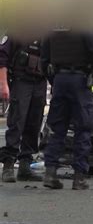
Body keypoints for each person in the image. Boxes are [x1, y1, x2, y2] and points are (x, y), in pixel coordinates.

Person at [41, 28, 93, 190]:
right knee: (83, 127)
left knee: (57, 128)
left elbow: (44, 58)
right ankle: (79, 177)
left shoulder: (53, 27)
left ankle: (50, 173)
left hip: (60, 80)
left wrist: (54, 79)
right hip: (79, 80)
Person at [0, 34, 47, 183]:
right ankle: (8, 165)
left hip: (40, 81)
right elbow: (2, 58)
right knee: (17, 122)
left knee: (34, 123)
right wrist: (3, 84)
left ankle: (25, 166)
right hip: (21, 80)